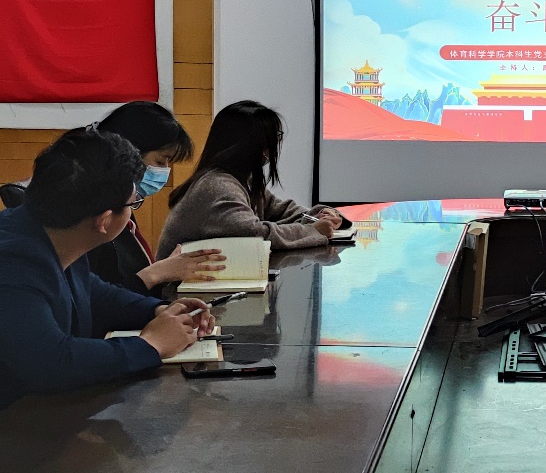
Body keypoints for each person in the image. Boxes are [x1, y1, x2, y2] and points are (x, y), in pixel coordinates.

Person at [0, 128, 214, 410]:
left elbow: (92, 293)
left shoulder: (51, 229)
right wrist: (150, 345)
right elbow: (51, 363)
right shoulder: (13, 264)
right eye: (133, 203)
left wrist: (158, 310)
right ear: (104, 221)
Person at [156, 100, 348, 259]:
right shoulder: (217, 186)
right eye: (273, 139)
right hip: (175, 290)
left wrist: (321, 214)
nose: (274, 147)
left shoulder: (239, 179)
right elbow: (254, 234)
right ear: (251, 145)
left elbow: (280, 210)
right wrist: (313, 231)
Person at [90, 101, 226, 296]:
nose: (165, 172)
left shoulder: (123, 202)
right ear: (129, 152)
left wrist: (166, 274)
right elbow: (98, 302)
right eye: (160, 161)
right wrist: (157, 274)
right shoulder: (95, 213)